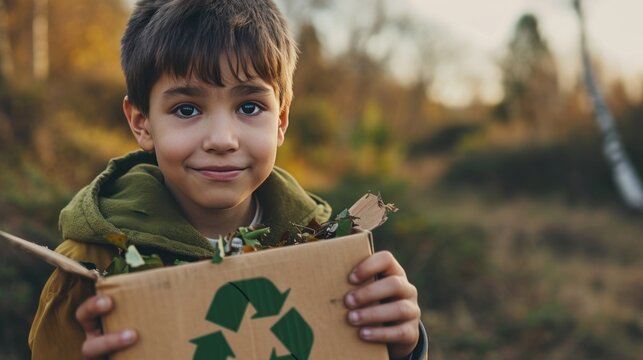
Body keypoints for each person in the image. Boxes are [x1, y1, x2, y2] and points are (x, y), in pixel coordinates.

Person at [28, 0, 428, 359]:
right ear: (142, 123)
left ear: (281, 121)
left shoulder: (330, 251)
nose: (222, 139)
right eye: (187, 109)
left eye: (249, 106)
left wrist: (401, 347)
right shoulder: (88, 269)